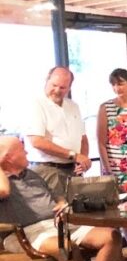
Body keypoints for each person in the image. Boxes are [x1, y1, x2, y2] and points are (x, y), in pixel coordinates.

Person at [0, 136, 121, 261]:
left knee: (111, 236)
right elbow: (4, 191)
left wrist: (62, 203)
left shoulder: (32, 174)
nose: (26, 152)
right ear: (8, 157)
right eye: (21, 149)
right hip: (24, 234)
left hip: (56, 224)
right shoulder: (2, 182)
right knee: (64, 247)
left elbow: (57, 197)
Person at [23, 66, 90, 199]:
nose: (57, 90)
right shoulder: (35, 104)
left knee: (77, 209)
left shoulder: (73, 106)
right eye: (54, 85)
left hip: (72, 170)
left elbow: (83, 138)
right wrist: (74, 155)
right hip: (48, 169)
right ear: (46, 80)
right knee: (55, 210)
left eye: (63, 87)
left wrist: (83, 159)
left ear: (69, 88)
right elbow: (37, 141)